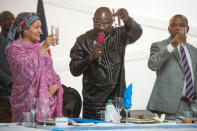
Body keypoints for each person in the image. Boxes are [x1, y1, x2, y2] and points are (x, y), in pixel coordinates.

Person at [69, 7, 142, 120]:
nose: (101, 27)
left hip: (117, 100)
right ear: (93, 20)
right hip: (94, 104)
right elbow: (74, 69)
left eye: (106, 24)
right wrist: (90, 58)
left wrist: (127, 20)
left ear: (112, 23)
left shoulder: (119, 35)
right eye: (98, 23)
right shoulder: (83, 40)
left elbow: (137, 33)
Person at [6, 12, 63, 122]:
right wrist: (44, 46)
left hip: (48, 107)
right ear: (25, 29)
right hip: (26, 109)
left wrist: (56, 86)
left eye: (41, 27)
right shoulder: (15, 50)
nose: (41, 31)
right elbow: (28, 73)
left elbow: (52, 74)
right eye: (36, 27)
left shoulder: (39, 48)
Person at [147, 14, 197, 116]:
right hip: (167, 107)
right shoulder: (158, 46)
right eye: (173, 25)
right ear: (169, 28)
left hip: (192, 106)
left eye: (182, 25)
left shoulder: (194, 50)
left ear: (187, 29)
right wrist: (172, 45)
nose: (178, 28)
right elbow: (152, 65)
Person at [0, 11, 15, 123]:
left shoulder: (19, 40)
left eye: (11, 19)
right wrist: (10, 81)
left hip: (20, 90)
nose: (9, 22)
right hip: (3, 91)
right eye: (6, 19)